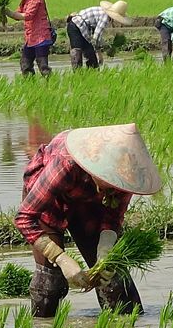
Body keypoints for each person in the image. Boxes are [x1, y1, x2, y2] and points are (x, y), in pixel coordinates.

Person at [14, 123, 161, 317]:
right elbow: (24, 218)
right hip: (50, 202)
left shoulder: (128, 172)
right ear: (97, 166)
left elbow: (113, 216)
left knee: (113, 279)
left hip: (89, 203)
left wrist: (105, 249)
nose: (115, 186)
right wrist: (61, 258)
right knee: (49, 283)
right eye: (110, 180)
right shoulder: (65, 163)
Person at [4, 0, 53, 77]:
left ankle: (51, 85)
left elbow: (28, 15)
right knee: (25, 64)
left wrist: (10, 13)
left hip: (41, 37)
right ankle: (30, 86)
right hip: (30, 38)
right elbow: (19, 14)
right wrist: (4, 12)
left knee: (43, 66)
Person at [66, 0, 132, 70]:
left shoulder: (105, 15)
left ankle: (92, 74)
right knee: (77, 52)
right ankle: (77, 75)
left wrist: (102, 46)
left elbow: (96, 33)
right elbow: (96, 37)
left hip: (83, 29)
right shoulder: (105, 18)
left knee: (90, 53)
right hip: (75, 26)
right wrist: (99, 53)